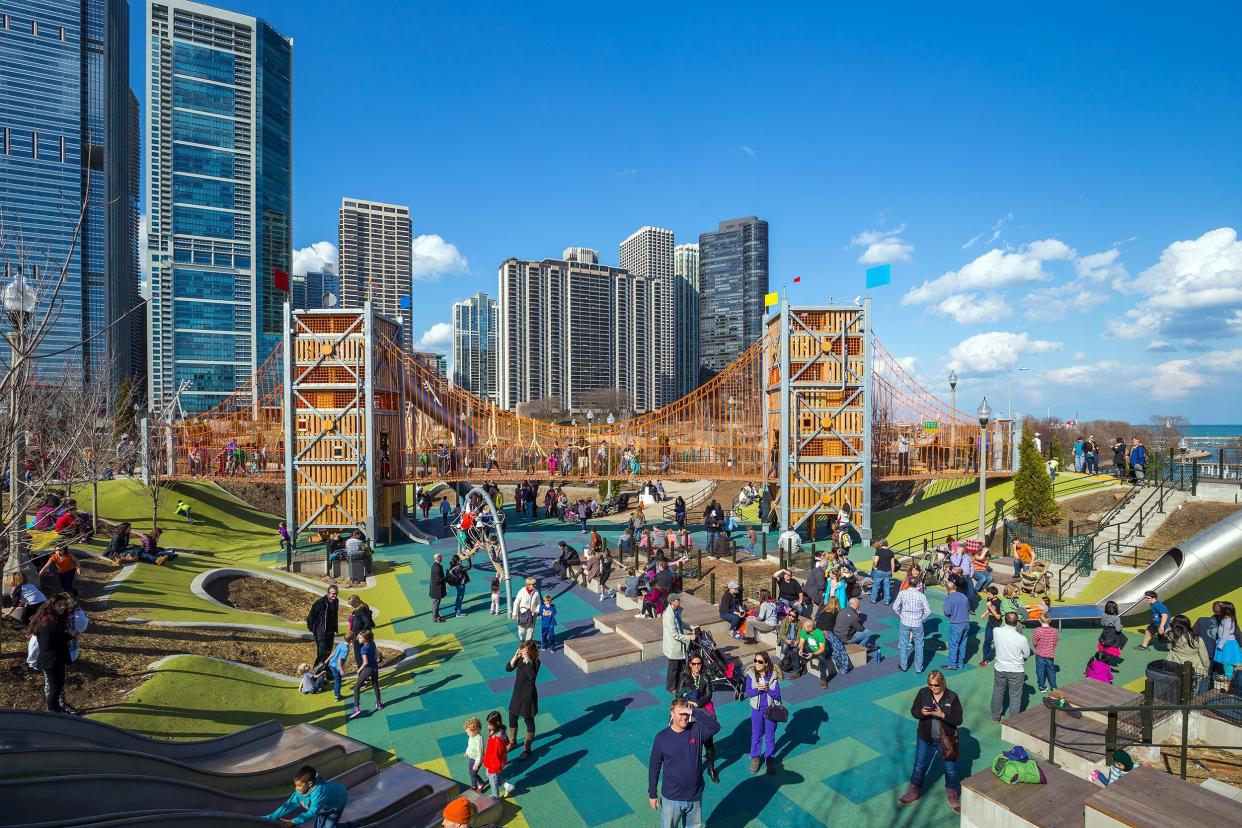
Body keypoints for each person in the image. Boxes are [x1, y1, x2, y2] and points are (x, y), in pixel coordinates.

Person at [648, 698, 720, 828]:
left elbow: (715, 726)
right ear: (672, 714)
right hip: (672, 798)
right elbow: (654, 767)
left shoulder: (696, 730)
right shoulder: (661, 738)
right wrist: (652, 793)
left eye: (686, 714)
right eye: (681, 713)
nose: (684, 717)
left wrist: (693, 711)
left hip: (695, 796)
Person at [899, 670, 964, 814]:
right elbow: (914, 711)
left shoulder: (952, 697)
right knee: (919, 766)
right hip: (925, 738)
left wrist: (943, 715)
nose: (933, 688)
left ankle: (952, 796)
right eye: (930, 685)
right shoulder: (923, 693)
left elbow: (958, 720)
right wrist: (922, 712)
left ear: (942, 683)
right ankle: (913, 792)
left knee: (950, 769)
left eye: (936, 685)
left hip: (946, 739)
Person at [28, 594, 74, 712]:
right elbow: (46, 644)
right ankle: (53, 710)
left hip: (56, 658)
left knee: (58, 685)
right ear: (52, 605)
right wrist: (69, 636)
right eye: (59, 605)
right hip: (50, 660)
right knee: (54, 687)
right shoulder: (47, 621)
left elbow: (56, 637)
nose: (62, 607)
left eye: (64, 604)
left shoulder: (55, 619)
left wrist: (67, 637)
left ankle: (56, 708)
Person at [263, 765, 348, 827]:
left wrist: (294, 821)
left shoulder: (319, 792)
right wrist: (267, 818)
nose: (296, 788)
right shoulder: (299, 793)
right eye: (295, 785)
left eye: (299, 786)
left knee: (328, 826)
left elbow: (313, 812)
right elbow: (287, 806)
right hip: (324, 805)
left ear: (309, 783)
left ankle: (351, 826)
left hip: (337, 804)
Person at [678, 654, 719, 783]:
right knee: (690, 741)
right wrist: (687, 702)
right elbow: (679, 694)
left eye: (699, 663)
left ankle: (711, 768)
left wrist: (697, 704)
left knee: (708, 741)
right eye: (694, 664)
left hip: (704, 711)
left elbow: (709, 695)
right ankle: (692, 769)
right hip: (689, 712)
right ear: (689, 664)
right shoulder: (685, 677)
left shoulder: (705, 676)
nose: (697, 666)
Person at [744, 652, 783, 774]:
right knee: (756, 734)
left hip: (771, 710)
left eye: (760, 661)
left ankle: (769, 758)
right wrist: (758, 689)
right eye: (755, 660)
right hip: (757, 710)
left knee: (770, 736)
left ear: (766, 663)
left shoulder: (773, 676)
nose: (756, 663)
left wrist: (767, 690)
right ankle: (755, 757)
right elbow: (749, 692)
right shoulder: (750, 675)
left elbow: (777, 694)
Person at [991, 612, 1031, 722]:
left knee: (998, 692)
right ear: (1017, 622)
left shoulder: (996, 631)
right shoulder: (1021, 638)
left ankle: (996, 717)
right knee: (1015, 696)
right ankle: (1012, 721)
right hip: (1016, 670)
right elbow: (1027, 654)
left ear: (1005, 620)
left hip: (999, 667)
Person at [505, 640, 540, 760]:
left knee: (528, 721)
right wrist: (515, 657)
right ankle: (512, 742)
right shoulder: (520, 659)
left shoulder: (535, 662)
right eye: (522, 649)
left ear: (530, 651)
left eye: (525, 650)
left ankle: (527, 748)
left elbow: (532, 677)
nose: (522, 651)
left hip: (528, 696)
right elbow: (508, 668)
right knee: (512, 718)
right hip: (517, 694)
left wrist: (527, 661)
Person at [662, 593, 697, 695]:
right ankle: (671, 687)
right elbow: (674, 634)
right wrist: (689, 637)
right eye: (677, 600)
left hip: (679, 647)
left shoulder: (675, 612)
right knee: (673, 668)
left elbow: (681, 623)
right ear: (672, 601)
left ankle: (680, 684)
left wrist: (691, 627)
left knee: (681, 666)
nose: (679, 601)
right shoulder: (668, 616)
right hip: (673, 647)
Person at [893, 581, 931, 673]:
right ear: (917, 585)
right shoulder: (921, 596)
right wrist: (921, 619)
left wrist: (901, 615)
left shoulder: (902, 593)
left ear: (908, 584)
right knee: (919, 645)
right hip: (917, 623)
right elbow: (928, 611)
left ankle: (903, 665)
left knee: (903, 643)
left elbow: (895, 607)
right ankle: (918, 668)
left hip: (905, 621)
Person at [1166, 614, 1211, 693]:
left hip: (1175, 665)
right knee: (1194, 689)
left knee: (1177, 688)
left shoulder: (1172, 636)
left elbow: (1166, 631)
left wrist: (1171, 623)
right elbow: (1204, 656)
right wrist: (1206, 667)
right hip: (1194, 667)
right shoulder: (1197, 639)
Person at [834, 596, 880, 666]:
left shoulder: (842, 610)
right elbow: (861, 629)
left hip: (837, 635)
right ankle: (859, 649)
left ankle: (860, 645)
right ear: (857, 605)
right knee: (867, 633)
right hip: (846, 638)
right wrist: (858, 615)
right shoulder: (854, 616)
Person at [349, 630, 382, 719]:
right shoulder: (372, 643)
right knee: (375, 685)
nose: (358, 639)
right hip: (375, 667)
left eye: (360, 638)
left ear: (365, 639)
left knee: (356, 688)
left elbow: (365, 662)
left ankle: (357, 708)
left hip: (367, 669)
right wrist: (377, 658)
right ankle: (379, 703)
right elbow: (377, 654)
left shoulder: (364, 648)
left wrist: (359, 670)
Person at [483, 710, 514, 798]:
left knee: (492, 777)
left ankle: (495, 796)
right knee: (489, 774)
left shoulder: (497, 738)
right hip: (495, 759)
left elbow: (495, 753)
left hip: (495, 761)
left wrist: (493, 765)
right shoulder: (500, 730)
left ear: (496, 723)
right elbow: (507, 742)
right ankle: (506, 785)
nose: (488, 727)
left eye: (490, 725)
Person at [306, 586, 339, 667]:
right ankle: (315, 674)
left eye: (336, 594)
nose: (335, 596)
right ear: (328, 593)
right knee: (322, 654)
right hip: (321, 633)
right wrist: (314, 630)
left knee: (328, 653)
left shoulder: (336, 601)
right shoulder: (320, 603)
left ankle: (325, 672)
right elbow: (310, 618)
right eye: (333, 594)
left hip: (330, 631)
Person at [942, 579, 970, 671]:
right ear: (955, 587)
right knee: (963, 643)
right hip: (966, 623)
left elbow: (947, 612)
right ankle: (961, 663)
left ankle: (952, 664)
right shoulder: (963, 596)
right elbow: (968, 608)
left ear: (947, 589)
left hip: (956, 624)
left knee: (953, 644)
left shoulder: (949, 598)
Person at [798, 617, 832, 689]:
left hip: (820, 650)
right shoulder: (804, 631)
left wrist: (813, 654)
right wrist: (800, 648)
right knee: (800, 650)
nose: (803, 629)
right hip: (811, 648)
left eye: (805, 627)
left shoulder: (819, 633)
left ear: (810, 629)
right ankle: (803, 666)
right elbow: (801, 643)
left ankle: (823, 679)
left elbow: (822, 649)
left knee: (822, 658)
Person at [1214, 600, 1242, 685]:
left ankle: (1228, 677)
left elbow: (1226, 633)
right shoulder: (1229, 618)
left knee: (1227, 661)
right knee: (1229, 661)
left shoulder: (1227, 620)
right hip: (1227, 642)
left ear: (1225, 610)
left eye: (1221, 608)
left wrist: (1220, 644)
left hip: (1226, 643)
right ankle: (1230, 675)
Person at [1033, 612, 1060, 693]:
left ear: (1039, 620)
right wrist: (1051, 648)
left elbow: (1034, 642)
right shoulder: (1055, 631)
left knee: (1040, 670)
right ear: (1050, 620)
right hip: (1050, 654)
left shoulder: (1037, 630)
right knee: (1051, 670)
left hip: (1040, 654)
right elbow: (1056, 642)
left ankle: (1042, 687)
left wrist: (1038, 648)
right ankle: (1054, 687)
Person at [511, 577, 541, 641]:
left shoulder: (536, 592)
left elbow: (539, 603)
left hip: (533, 614)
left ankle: (527, 644)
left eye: (534, 584)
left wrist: (537, 610)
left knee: (530, 630)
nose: (533, 586)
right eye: (531, 585)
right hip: (523, 614)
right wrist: (514, 613)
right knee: (522, 630)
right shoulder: (521, 592)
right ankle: (522, 640)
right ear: (527, 585)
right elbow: (516, 602)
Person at [978, 586, 1002, 667]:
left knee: (998, 642)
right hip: (989, 624)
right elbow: (989, 609)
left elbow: (998, 617)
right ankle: (986, 659)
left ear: (995, 595)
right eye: (987, 594)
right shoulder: (989, 599)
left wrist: (990, 607)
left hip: (997, 625)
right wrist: (985, 613)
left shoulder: (999, 603)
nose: (987, 596)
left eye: (989, 594)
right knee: (987, 641)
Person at [347, 596, 374, 664]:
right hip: (358, 634)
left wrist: (360, 634)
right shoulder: (361, 608)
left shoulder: (361, 610)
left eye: (352, 604)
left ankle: (361, 666)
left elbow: (367, 622)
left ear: (356, 602)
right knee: (364, 652)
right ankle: (364, 665)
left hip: (360, 635)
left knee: (359, 654)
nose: (352, 606)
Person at [463, 716, 486, 793]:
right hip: (471, 757)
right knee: (471, 773)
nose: (467, 734)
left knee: (473, 774)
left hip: (476, 759)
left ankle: (481, 783)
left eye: (469, 732)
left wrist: (477, 764)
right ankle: (474, 786)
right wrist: (467, 752)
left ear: (475, 730)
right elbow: (470, 746)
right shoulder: (471, 736)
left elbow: (480, 752)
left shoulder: (479, 739)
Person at [870, 540, 896, 605]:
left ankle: (873, 599)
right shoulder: (891, 552)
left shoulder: (878, 551)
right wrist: (892, 572)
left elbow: (876, 562)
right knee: (887, 587)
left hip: (879, 571)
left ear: (881, 544)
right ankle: (887, 601)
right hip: (888, 571)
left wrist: (873, 560)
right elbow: (892, 564)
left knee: (875, 585)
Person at [447, 553, 472, 617]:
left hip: (456, 583)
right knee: (460, 597)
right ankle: (458, 612)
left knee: (458, 596)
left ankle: (456, 609)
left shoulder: (451, 565)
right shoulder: (459, 567)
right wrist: (468, 558)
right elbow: (469, 567)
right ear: (458, 560)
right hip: (461, 583)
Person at [429, 553, 447, 623]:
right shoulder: (437, 568)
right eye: (441, 557)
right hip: (437, 589)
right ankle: (435, 617)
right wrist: (445, 578)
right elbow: (437, 580)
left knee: (435, 603)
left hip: (436, 589)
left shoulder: (436, 566)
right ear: (438, 558)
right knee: (436, 604)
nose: (442, 558)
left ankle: (436, 615)